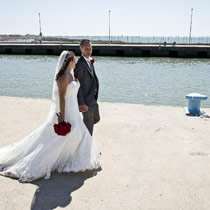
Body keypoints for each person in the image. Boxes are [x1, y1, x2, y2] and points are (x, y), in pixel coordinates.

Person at [0, 51, 102, 182]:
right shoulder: (62, 78)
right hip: (66, 112)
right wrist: (62, 119)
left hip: (74, 111)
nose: (76, 62)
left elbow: (72, 95)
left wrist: (79, 106)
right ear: (68, 62)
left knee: (79, 135)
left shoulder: (71, 74)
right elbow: (62, 99)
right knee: (58, 140)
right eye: (74, 60)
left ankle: (73, 158)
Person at [74, 40, 100, 136]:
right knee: (89, 126)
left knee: (96, 119)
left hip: (92, 98)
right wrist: (82, 103)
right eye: (86, 49)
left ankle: (82, 136)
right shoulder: (79, 64)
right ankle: (87, 148)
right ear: (81, 49)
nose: (89, 51)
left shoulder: (89, 60)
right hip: (86, 101)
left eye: (90, 48)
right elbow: (78, 86)